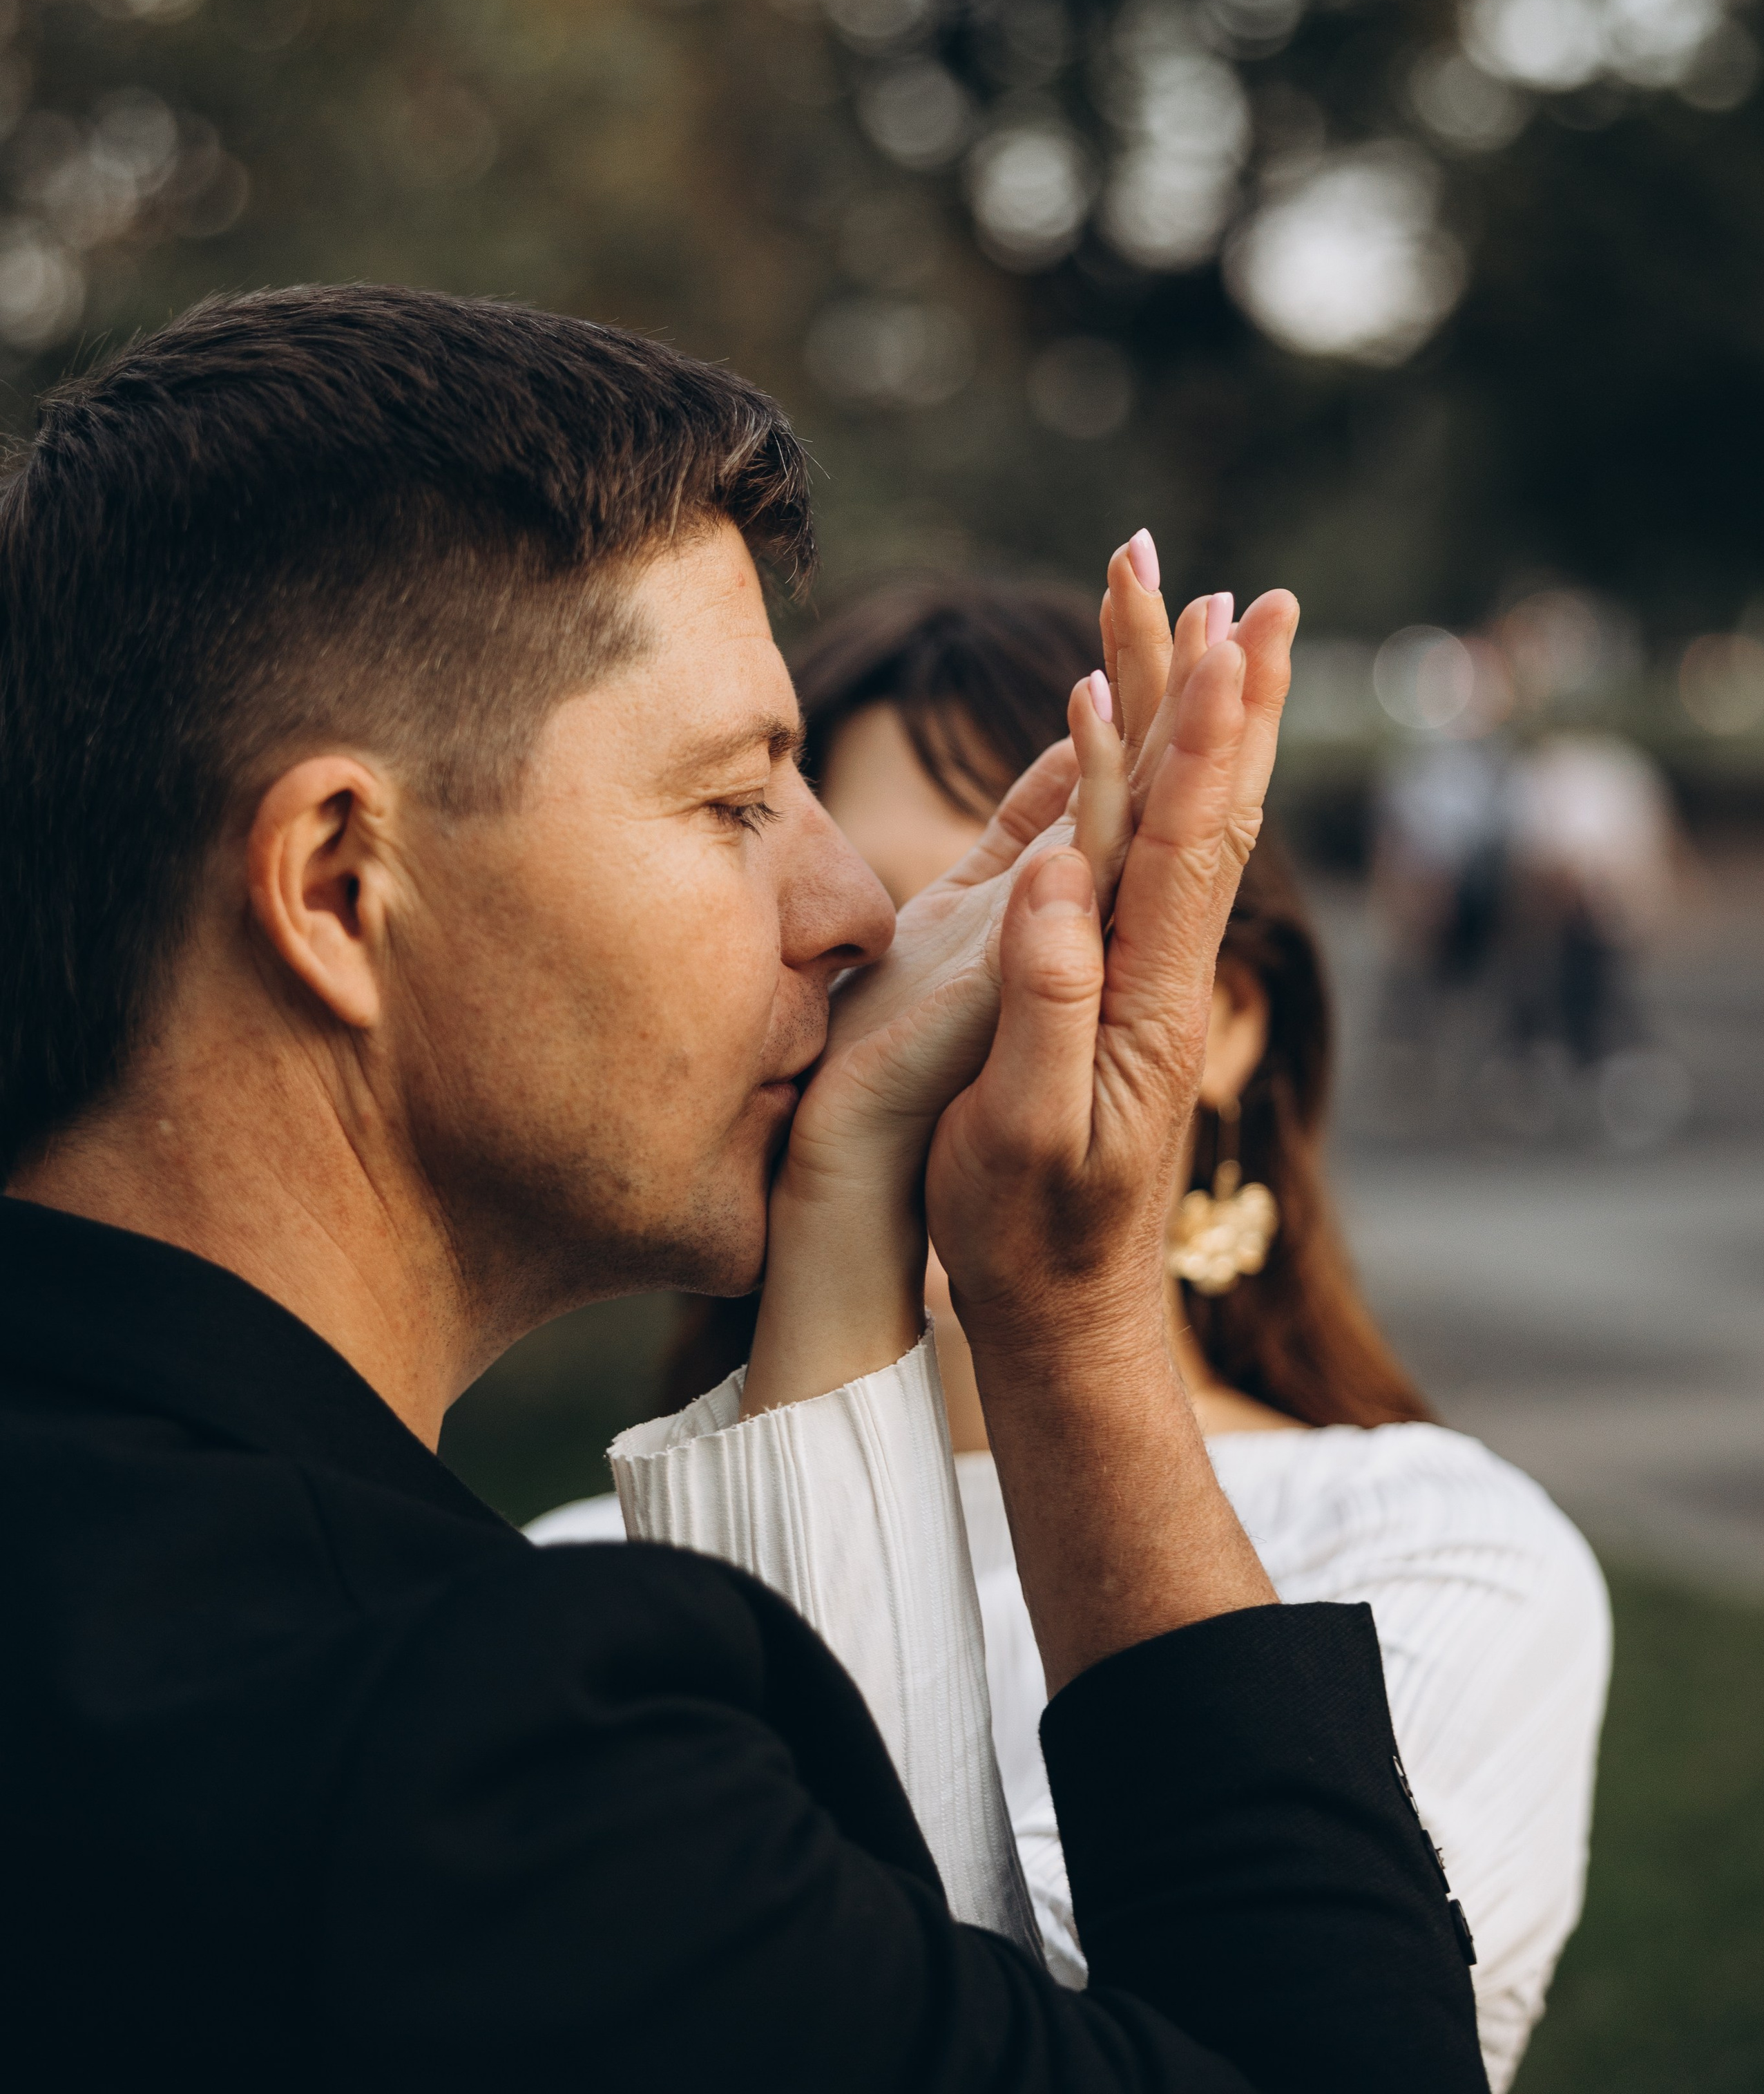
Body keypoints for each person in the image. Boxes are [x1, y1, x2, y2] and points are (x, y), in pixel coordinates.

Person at [0, 286, 1484, 2093]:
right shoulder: (480, 1771)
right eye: (732, 802)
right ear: (335, 888)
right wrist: (1070, 1300)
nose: (858, 911)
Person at [561, 573, 1608, 2091]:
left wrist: (1051, 1301)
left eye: (986, 933)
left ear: (1223, 1023)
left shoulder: (1425, 1560)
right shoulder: (566, 1571)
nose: (885, 1025)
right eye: (844, 963)